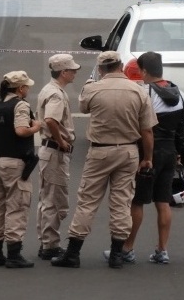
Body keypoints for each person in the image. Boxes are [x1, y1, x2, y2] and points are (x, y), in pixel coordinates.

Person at [51, 51, 157, 269]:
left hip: (100, 150)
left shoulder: (93, 89)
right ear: (120, 66)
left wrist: (89, 85)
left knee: (87, 201)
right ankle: (117, 254)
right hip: (128, 152)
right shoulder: (138, 91)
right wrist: (147, 157)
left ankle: (73, 252)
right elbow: (147, 130)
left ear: (101, 69)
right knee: (121, 202)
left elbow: (83, 107)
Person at [116, 51, 184, 265]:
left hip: (148, 151)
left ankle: (127, 248)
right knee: (163, 201)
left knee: (137, 201)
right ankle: (162, 250)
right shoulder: (180, 93)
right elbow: (182, 129)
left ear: (144, 71)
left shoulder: (143, 92)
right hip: (169, 151)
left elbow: (137, 125)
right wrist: (179, 153)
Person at [0, 70, 41, 268]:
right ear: (20, 88)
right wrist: (36, 127)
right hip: (15, 163)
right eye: (27, 87)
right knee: (16, 207)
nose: (28, 90)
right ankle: (14, 255)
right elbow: (21, 130)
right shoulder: (20, 105)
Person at [35, 53, 80, 261]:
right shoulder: (56, 94)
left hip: (48, 151)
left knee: (47, 199)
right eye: (72, 70)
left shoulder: (49, 89)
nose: (74, 73)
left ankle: (46, 242)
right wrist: (62, 142)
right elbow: (52, 119)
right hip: (54, 152)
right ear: (63, 72)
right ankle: (50, 245)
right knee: (55, 200)